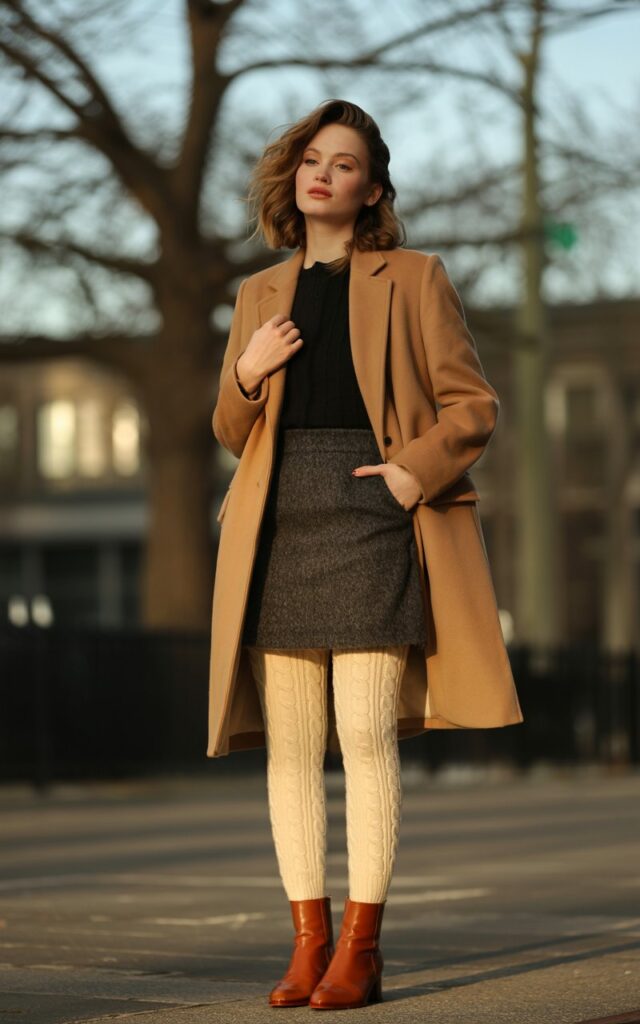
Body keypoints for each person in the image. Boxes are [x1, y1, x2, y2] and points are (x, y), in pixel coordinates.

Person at [209, 98, 523, 1010]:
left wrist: (406, 475)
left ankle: (361, 948)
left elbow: (474, 406)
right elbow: (232, 431)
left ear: (372, 188)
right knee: (292, 750)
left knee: (365, 739)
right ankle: (306, 944)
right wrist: (245, 370)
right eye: (313, 158)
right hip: (280, 526)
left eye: (344, 163)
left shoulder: (415, 277)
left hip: (374, 512)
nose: (323, 173)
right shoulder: (256, 297)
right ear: (292, 177)